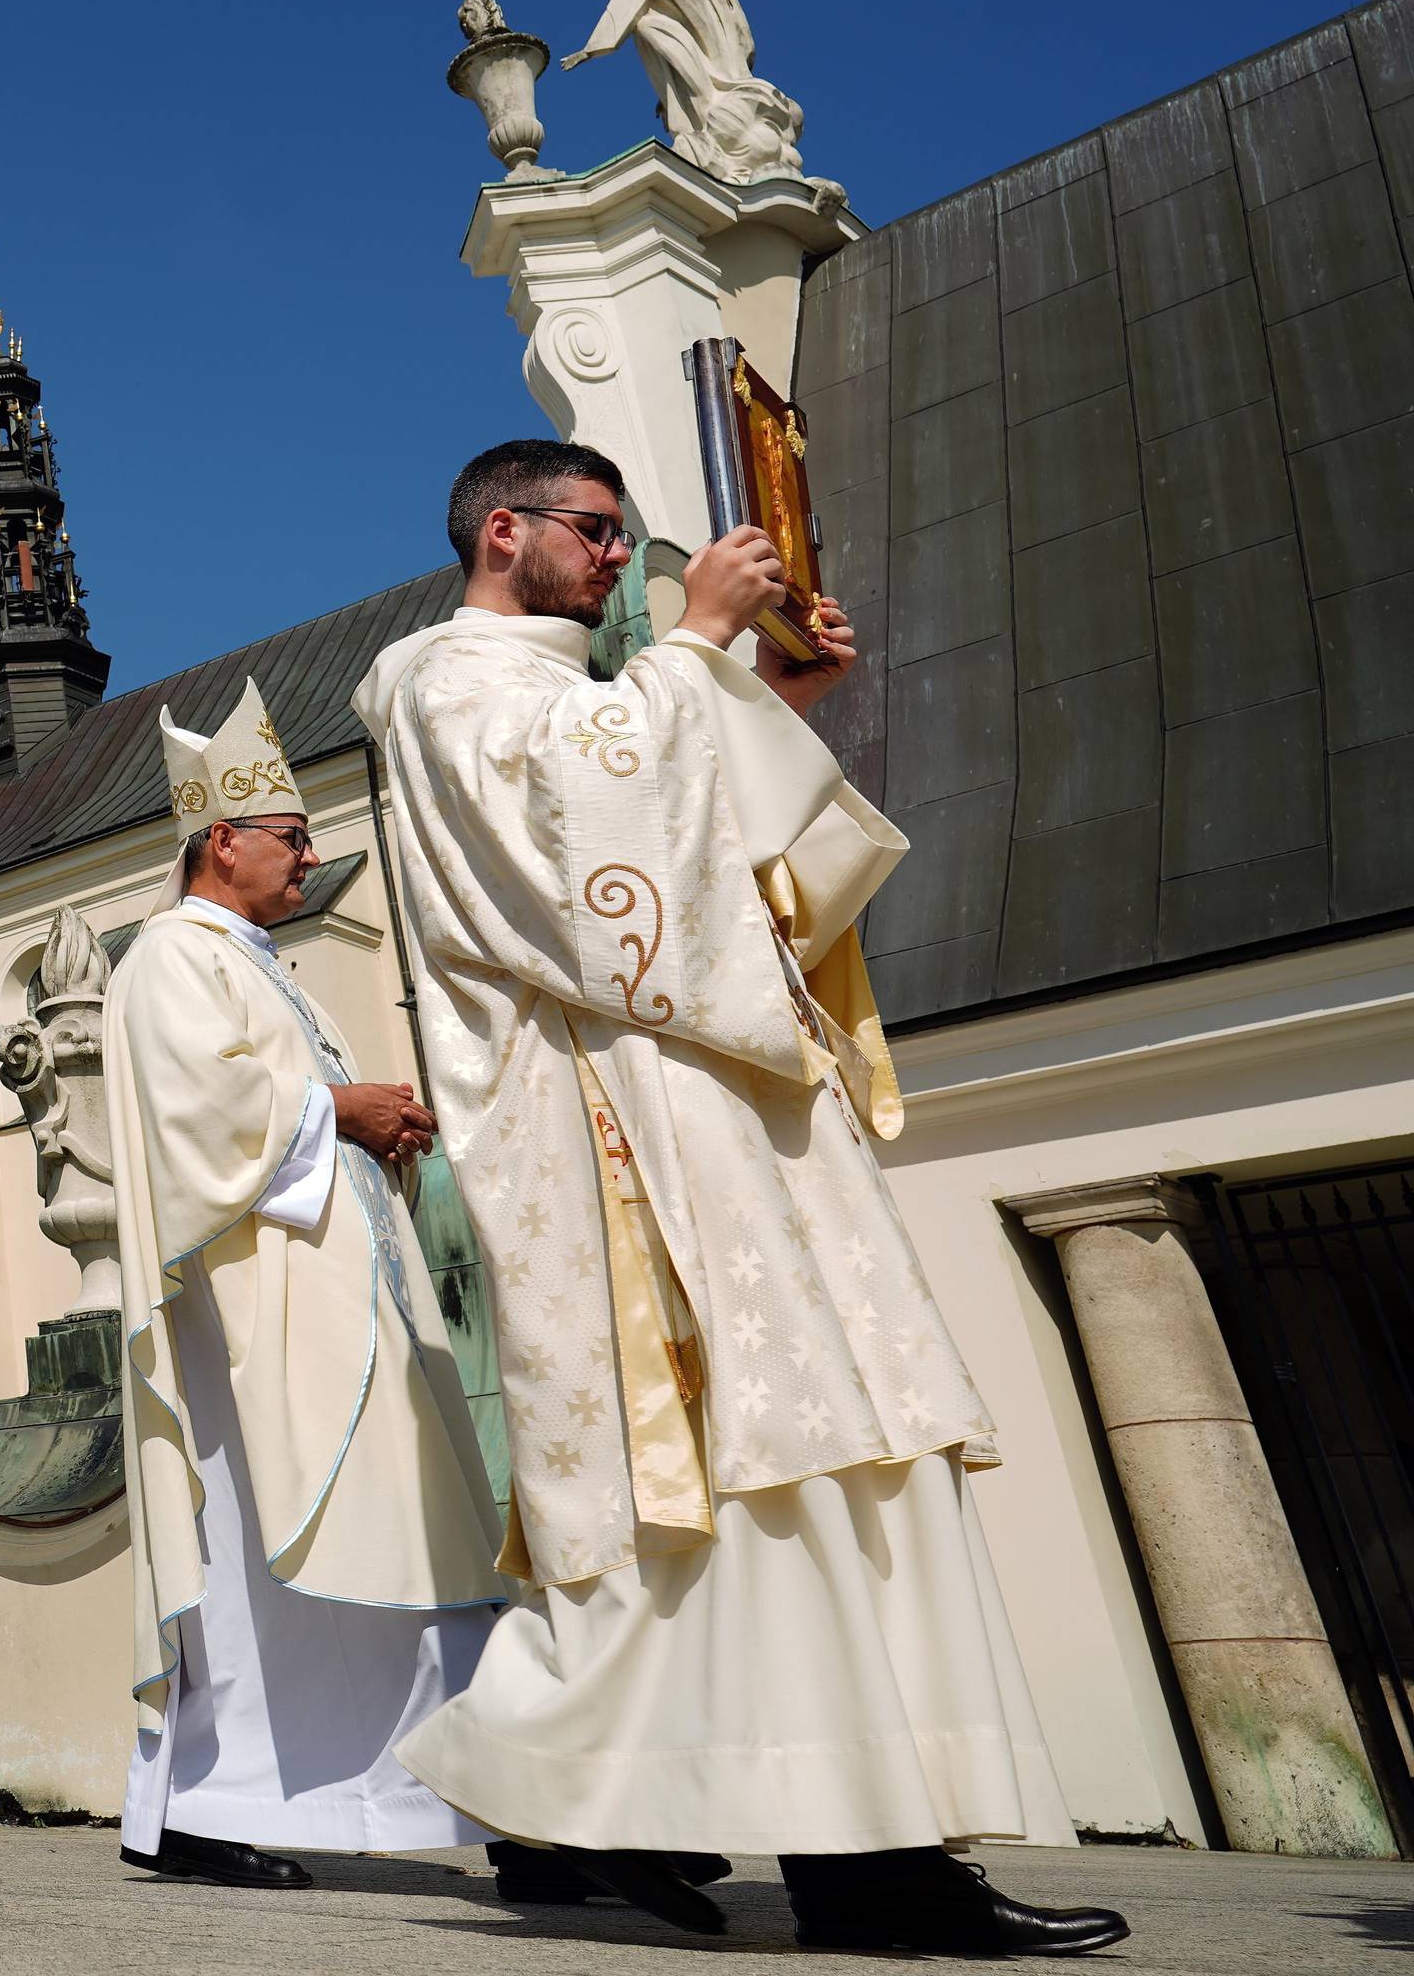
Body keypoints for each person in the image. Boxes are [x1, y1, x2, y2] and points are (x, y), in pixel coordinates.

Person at [353, 440, 1126, 1956]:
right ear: (502, 532)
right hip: (629, 1122)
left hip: (718, 1108)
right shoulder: (444, 679)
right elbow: (585, 848)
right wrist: (702, 644)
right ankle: (838, 1860)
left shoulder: (585, 688)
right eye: (597, 534)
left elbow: (725, 859)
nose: (620, 561)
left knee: (801, 1463)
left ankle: (643, 1822)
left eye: (630, 542)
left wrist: (770, 703)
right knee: (752, 1462)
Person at [92, 681, 529, 1891]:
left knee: (405, 1542)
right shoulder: (174, 958)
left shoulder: (258, 962)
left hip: (332, 1300)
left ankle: (478, 1804)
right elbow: (199, 1119)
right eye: (293, 837)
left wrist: (362, 1123)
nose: (311, 855)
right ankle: (204, 1801)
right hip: (248, 1324)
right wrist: (339, 1107)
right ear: (222, 840)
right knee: (252, 1552)